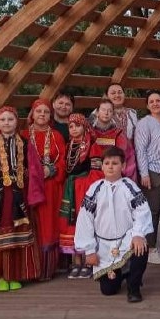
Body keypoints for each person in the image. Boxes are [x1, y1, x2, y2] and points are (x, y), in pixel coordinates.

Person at [0, 106, 45, 292]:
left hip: (19, 194)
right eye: (3, 120)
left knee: (19, 232)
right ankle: (1, 276)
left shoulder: (26, 144)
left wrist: (34, 195)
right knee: (0, 234)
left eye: (10, 119)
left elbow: (35, 170)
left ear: (17, 122)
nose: (6, 123)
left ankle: (16, 275)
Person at [74, 146, 151, 302]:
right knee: (108, 290)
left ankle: (134, 287)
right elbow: (85, 219)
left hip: (126, 240)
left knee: (141, 246)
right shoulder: (95, 189)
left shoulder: (129, 186)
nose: (110, 166)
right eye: (107, 163)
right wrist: (89, 250)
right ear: (102, 166)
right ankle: (123, 272)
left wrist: (137, 234)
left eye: (115, 163)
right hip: (104, 246)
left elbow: (142, 211)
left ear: (123, 166)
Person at [24, 98, 66, 281]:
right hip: (29, 187)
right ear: (32, 114)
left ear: (51, 115)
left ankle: (47, 269)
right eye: (38, 111)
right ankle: (30, 268)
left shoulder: (56, 136)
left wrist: (52, 169)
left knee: (49, 224)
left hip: (50, 186)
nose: (42, 114)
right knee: (32, 224)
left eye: (46, 112)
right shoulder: (23, 135)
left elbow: (63, 160)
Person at [134, 90, 160, 265]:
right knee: (153, 211)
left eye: (158, 100)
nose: (155, 104)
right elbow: (140, 149)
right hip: (153, 172)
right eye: (151, 101)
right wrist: (144, 173)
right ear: (147, 105)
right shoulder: (144, 123)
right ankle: (150, 249)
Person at [75, 99, 135, 202]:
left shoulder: (119, 134)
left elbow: (124, 156)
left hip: (113, 174)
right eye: (103, 110)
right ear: (97, 112)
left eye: (110, 111)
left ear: (113, 114)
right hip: (91, 173)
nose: (106, 113)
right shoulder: (88, 132)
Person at [59, 114, 92, 278]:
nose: (74, 129)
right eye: (71, 126)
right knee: (71, 222)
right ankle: (76, 261)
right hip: (70, 186)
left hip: (84, 186)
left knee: (84, 220)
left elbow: (96, 169)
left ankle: (88, 262)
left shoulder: (91, 145)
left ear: (84, 127)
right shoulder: (68, 146)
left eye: (77, 126)